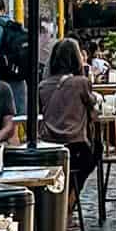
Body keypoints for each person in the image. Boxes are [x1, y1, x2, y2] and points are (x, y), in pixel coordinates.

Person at [39, 37, 100, 198]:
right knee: (96, 152)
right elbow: (93, 107)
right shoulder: (81, 83)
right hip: (75, 146)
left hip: (48, 146)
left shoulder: (43, 85)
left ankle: (63, 202)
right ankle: (71, 200)